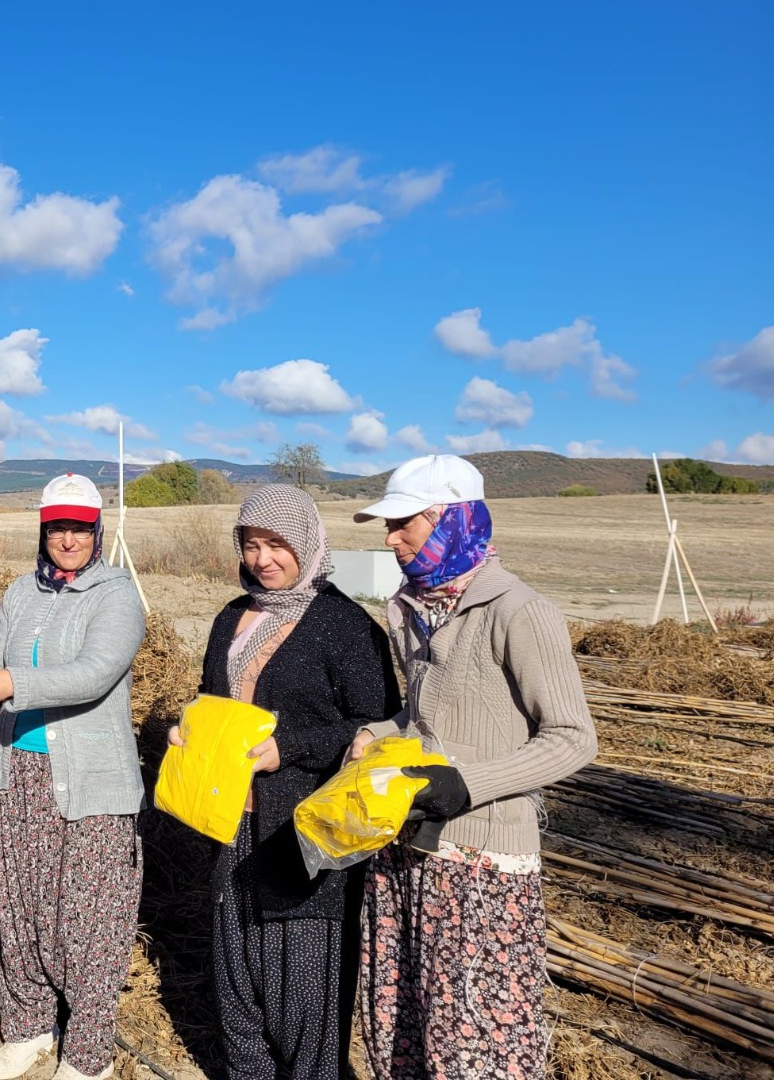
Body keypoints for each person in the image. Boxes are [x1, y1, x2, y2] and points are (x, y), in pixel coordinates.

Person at [348, 454, 597, 1080]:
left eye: (405, 523)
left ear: (454, 520)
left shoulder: (520, 611)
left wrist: (466, 785)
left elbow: (572, 738)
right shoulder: (409, 608)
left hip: (483, 860)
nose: (390, 538)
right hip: (407, 844)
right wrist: (375, 733)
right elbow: (423, 720)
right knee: (401, 1023)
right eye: (388, 524)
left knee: (476, 1040)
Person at [167, 484, 397, 1079]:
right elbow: (216, 703)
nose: (262, 559)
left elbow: (378, 726)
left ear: (308, 545)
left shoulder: (346, 626)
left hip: (300, 831)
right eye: (250, 545)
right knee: (236, 979)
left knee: (302, 994)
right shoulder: (229, 617)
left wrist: (287, 749)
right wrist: (191, 733)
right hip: (229, 818)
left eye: (277, 545)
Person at [0, 473, 147, 1080]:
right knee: (21, 908)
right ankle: (31, 1027)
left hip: (91, 781)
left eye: (78, 528)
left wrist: (13, 685)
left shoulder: (116, 596)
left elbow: (94, 672)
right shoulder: (20, 590)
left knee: (87, 919)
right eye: (57, 527)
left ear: (96, 530)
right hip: (18, 772)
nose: (67, 539)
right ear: (44, 530)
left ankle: (88, 1056)